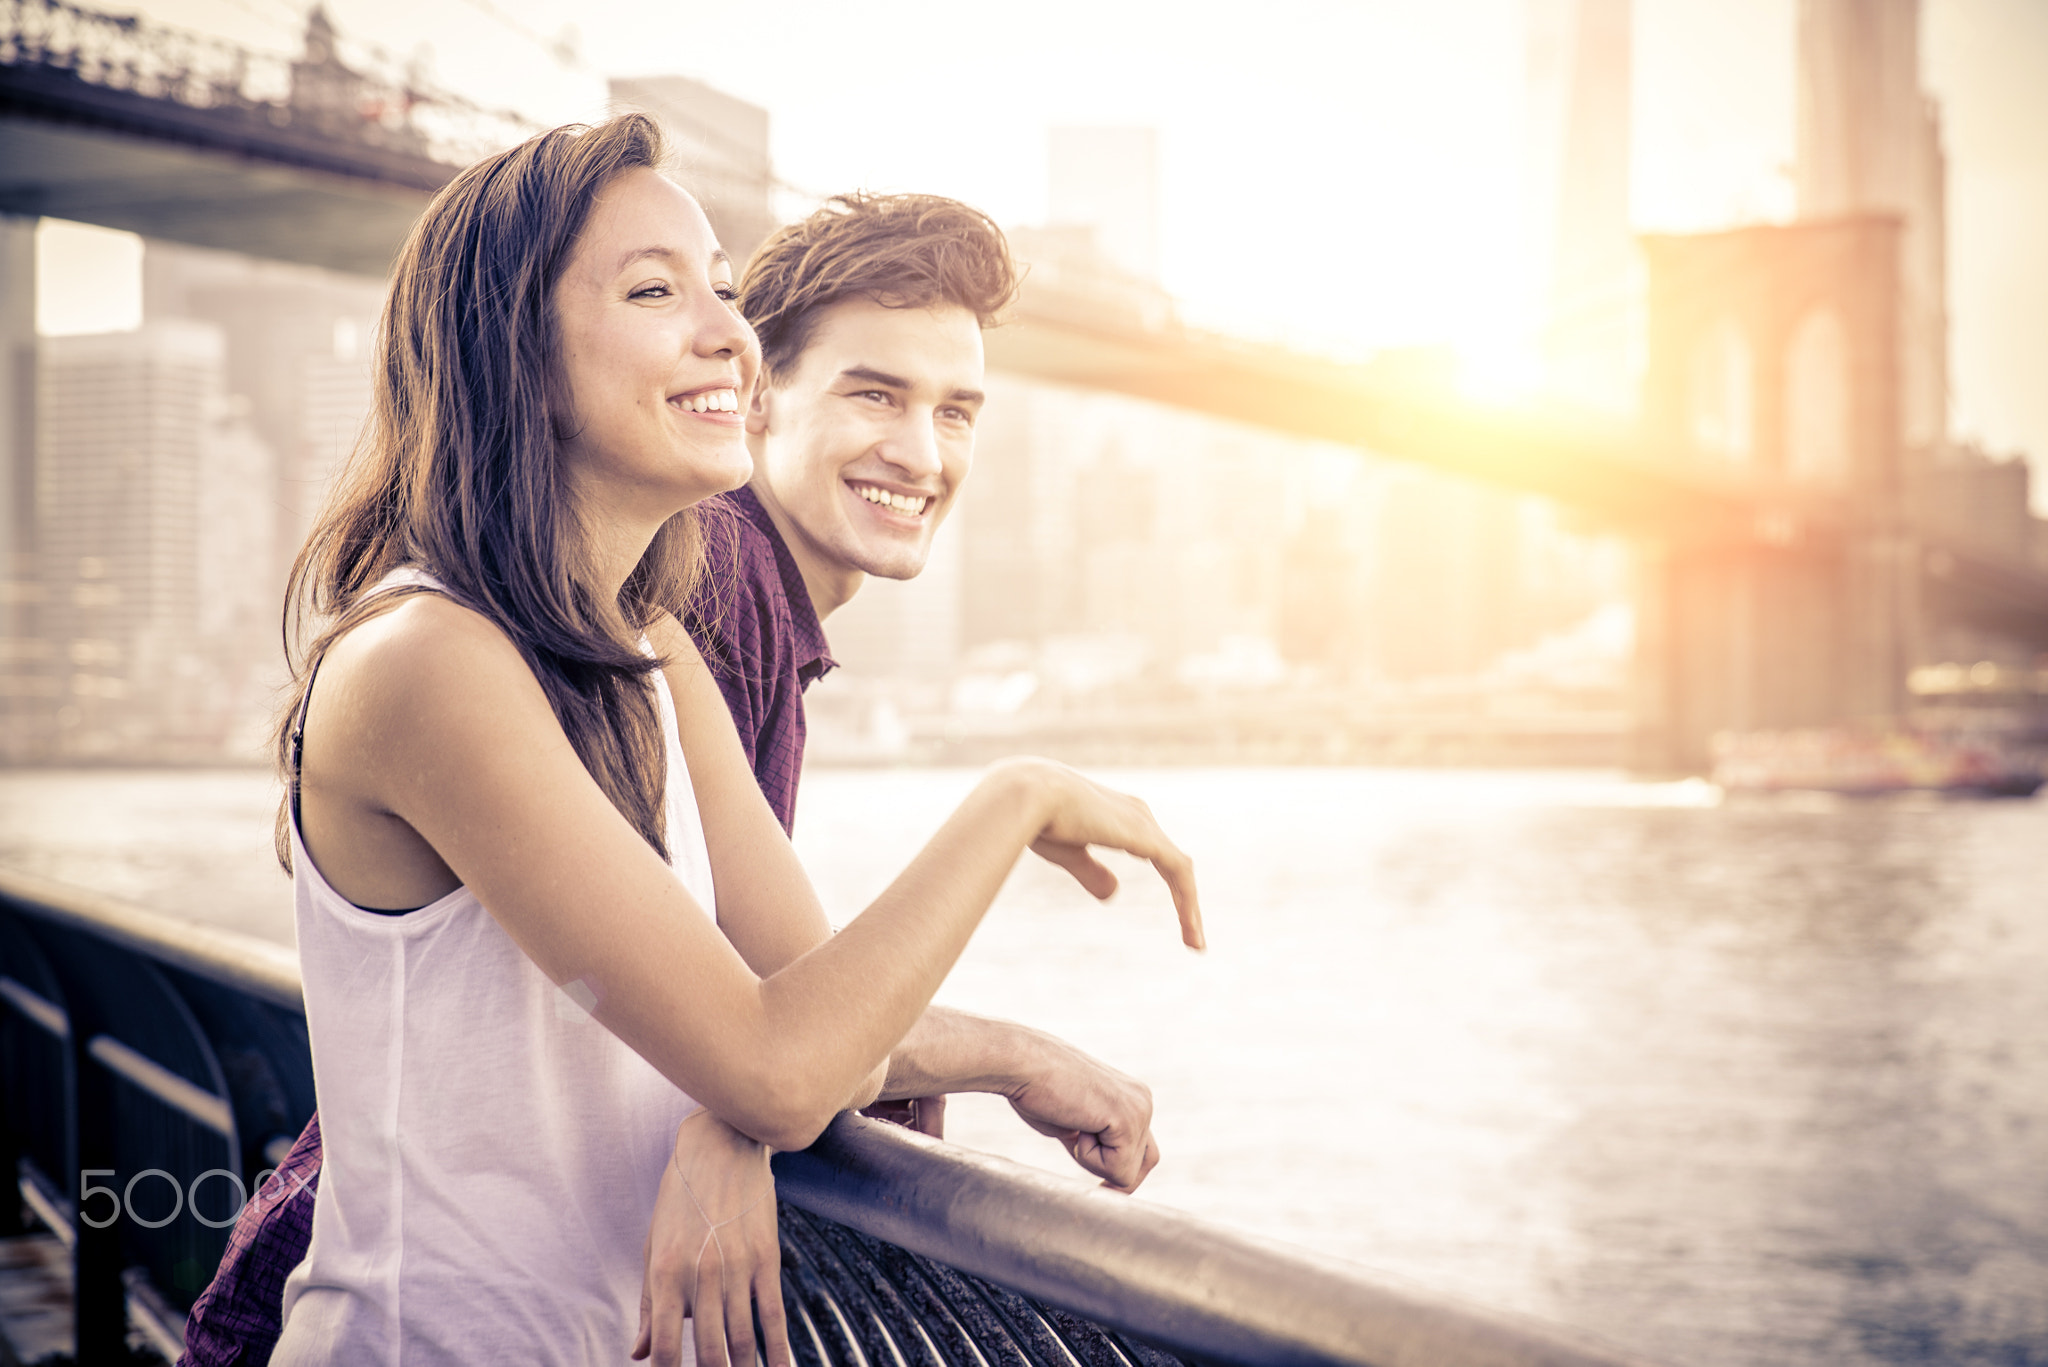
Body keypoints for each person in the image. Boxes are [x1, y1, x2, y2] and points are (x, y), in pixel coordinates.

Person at [228, 114, 1197, 1367]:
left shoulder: (653, 651)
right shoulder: (427, 660)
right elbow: (778, 1067)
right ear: (508, 350)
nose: (724, 332)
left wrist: (1010, 1057)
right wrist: (1013, 799)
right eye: (652, 289)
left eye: (723, 291)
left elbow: (816, 1012)